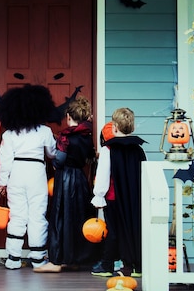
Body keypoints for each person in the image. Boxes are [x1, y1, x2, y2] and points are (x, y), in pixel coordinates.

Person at [0, 84, 57, 270]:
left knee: (17, 215)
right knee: (37, 215)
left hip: (16, 172)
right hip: (36, 172)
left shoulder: (9, 134)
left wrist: (2, 183)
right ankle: (38, 257)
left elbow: (4, 160)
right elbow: (53, 153)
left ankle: (13, 258)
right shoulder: (45, 131)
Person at [34, 96, 98, 273]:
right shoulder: (87, 135)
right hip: (80, 179)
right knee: (77, 218)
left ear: (69, 116)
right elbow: (89, 157)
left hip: (65, 179)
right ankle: (74, 259)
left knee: (60, 218)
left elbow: (60, 159)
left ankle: (55, 261)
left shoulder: (65, 136)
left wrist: (54, 163)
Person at [90, 108, 147, 278]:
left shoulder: (109, 149)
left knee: (113, 230)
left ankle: (107, 265)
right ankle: (137, 265)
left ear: (114, 127)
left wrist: (98, 195)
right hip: (134, 197)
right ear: (133, 127)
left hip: (114, 197)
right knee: (134, 228)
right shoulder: (138, 149)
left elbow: (103, 175)